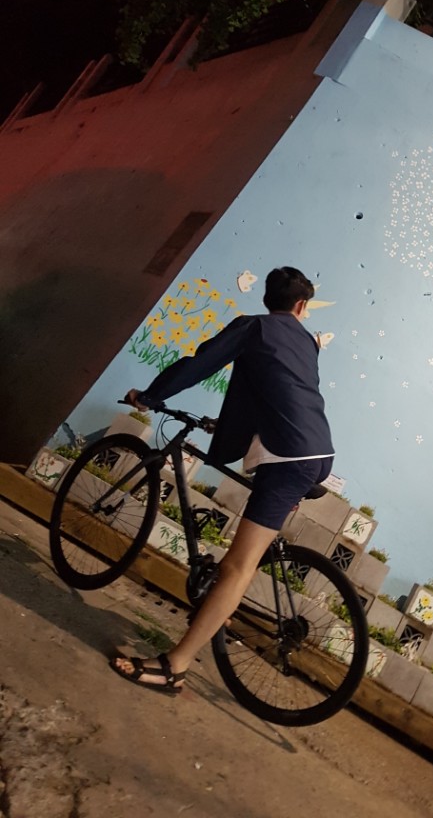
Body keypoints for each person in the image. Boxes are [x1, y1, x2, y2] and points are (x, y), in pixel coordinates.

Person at [110, 266, 334, 693]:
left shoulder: (254, 327)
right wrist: (227, 426)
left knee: (236, 566)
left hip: (288, 459)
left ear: (268, 299)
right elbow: (274, 392)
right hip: (315, 450)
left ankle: (174, 667)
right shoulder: (307, 341)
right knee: (239, 563)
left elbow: (201, 363)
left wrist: (152, 395)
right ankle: (217, 607)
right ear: (302, 306)